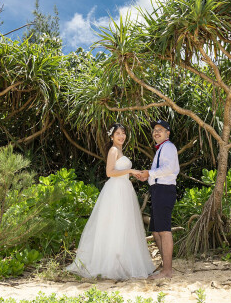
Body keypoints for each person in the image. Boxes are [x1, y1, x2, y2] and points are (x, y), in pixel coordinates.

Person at [66, 123, 154, 280]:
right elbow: (109, 172)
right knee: (115, 224)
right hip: (115, 191)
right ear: (112, 136)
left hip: (124, 188)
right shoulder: (113, 150)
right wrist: (130, 170)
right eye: (118, 133)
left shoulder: (120, 150)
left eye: (123, 133)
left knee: (124, 225)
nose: (121, 136)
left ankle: (122, 261)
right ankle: (112, 264)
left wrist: (133, 174)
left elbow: (120, 172)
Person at [135, 120, 179, 279]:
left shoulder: (168, 147)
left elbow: (168, 169)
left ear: (168, 133)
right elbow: (159, 171)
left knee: (164, 230)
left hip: (164, 190)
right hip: (158, 190)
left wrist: (149, 173)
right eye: (154, 130)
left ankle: (167, 270)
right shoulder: (161, 148)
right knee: (155, 229)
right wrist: (148, 177)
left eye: (160, 129)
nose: (156, 132)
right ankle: (165, 265)